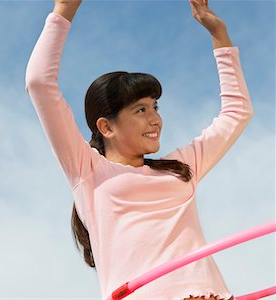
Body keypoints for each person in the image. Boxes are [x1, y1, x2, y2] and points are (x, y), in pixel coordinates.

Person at [25, 0, 253, 299]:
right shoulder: (89, 172)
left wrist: (219, 35)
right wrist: (64, 9)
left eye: (155, 107)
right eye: (140, 110)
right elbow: (39, 83)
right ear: (106, 127)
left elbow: (237, 111)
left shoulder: (180, 168)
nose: (155, 118)